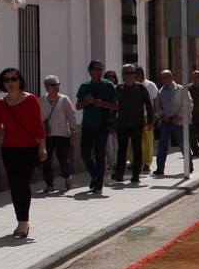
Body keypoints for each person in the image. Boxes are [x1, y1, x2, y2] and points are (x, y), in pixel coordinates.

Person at [0, 66, 47, 239]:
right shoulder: (0, 105)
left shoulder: (31, 100)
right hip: (8, 149)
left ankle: (23, 222)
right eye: (7, 80)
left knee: (22, 184)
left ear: (20, 81)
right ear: (2, 83)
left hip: (28, 149)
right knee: (14, 185)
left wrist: (42, 146)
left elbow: (38, 125)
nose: (11, 83)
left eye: (14, 79)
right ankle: (21, 220)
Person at [76, 60, 116, 193]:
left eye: (100, 69)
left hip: (102, 125)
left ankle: (99, 183)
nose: (99, 72)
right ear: (90, 71)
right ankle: (95, 175)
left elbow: (116, 105)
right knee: (85, 154)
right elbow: (78, 106)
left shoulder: (108, 86)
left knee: (99, 154)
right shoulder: (84, 86)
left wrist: (103, 104)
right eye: (96, 69)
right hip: (88, 124)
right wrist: (86, 102)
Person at [111, 64, 151, 185]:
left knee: (137, 149)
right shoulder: (118, 89)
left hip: (137, 124)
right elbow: (114, 107)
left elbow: (149, 105)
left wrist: (150, 122)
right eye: (127, 73)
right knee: (121, 150)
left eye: (133, 73)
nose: (130, 76)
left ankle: (136, 174)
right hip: (122, 124)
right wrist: (112, 121)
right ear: (123, 75)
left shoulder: (141, 88)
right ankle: (119, 174)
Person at [39, 74, 78, 194]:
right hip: (47, 136)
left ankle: (67, 177)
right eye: (53, 85)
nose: (56, 87)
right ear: (47, 87)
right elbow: (38, 118)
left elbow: (71, 115)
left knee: (63, 159)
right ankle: (49, 184)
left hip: (62, 134)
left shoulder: (64, 99)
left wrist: (73, 131)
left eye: (57, 84)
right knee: (46, 160)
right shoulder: (41, 101)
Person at [155, 69, 188, 176]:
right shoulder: (160, 91)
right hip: (166, 121)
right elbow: (158, 107)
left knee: (183, 144)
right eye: (162, 78)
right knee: (162, 145)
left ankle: (189, 165)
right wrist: (162, 115)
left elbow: (188, 104)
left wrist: (179, 115)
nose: (163, 80)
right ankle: (160, 168)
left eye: (165, 77)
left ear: (171, 77)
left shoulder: (181, 89)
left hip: (178, 120)